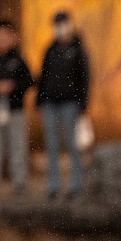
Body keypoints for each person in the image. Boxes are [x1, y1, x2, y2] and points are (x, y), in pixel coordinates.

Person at [37, 10, 90, 199]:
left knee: (72, 144)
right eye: (56, 24)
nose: (59, 28)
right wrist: (40, 101)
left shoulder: (78, 50)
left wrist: (83, 105)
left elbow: (84, 79)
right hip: (50, 104)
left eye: (62, 23)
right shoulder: (50, 50)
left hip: (71, 104)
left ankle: (75, 185)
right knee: (51, 145)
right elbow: (43, 77)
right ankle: (53, 185)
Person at [0, 20, 33, 195]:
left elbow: (29, 81)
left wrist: (12, 86)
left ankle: (19, 184)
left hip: (15, 110)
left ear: (12, 37)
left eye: (5, 35)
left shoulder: (18, 60)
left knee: (18, 147)